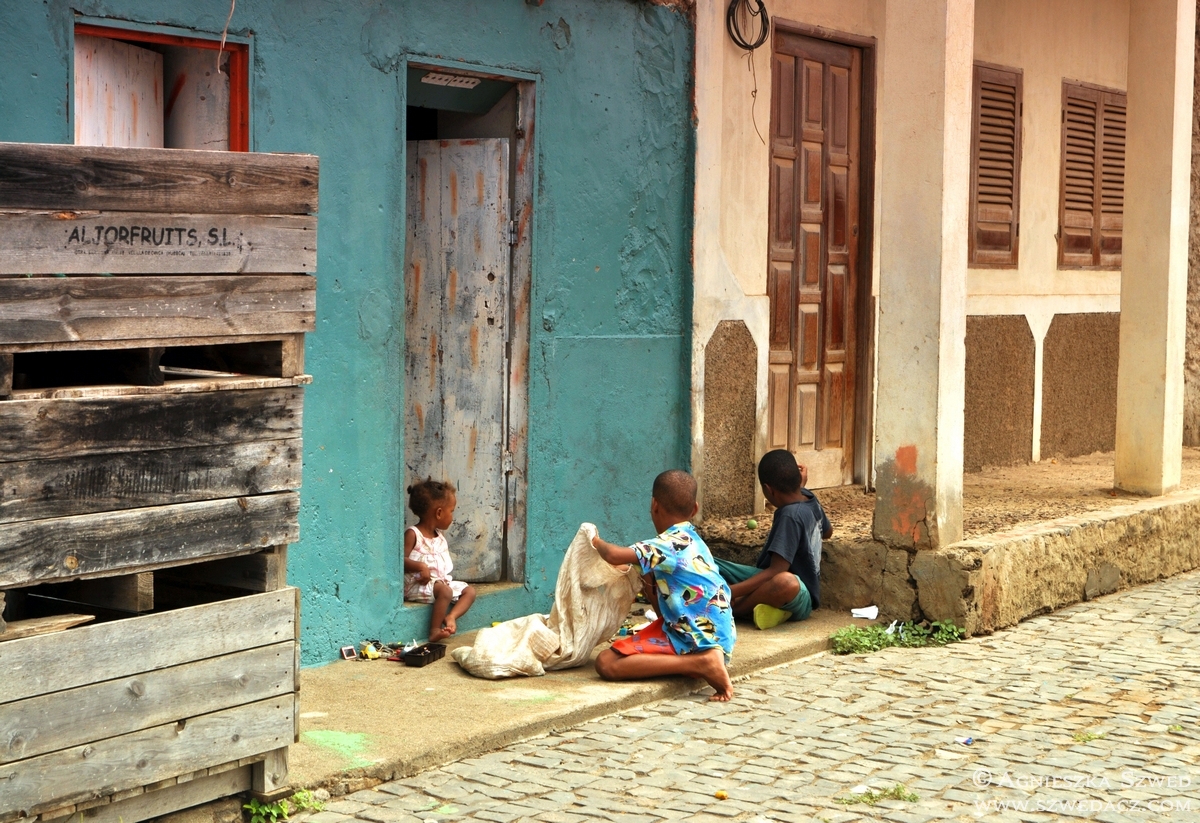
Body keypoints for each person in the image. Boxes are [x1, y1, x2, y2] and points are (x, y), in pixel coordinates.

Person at [590, 470, 737, 701]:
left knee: (606, 663)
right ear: (695, 509)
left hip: (696, 638)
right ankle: (701, 661)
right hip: (720, 634)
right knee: (647, 574)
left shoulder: (664, 545)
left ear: (654, 505)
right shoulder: (693, 538)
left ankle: (701, 663)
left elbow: (613, 555)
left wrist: (593, 539)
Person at [716, 449, 832, 630]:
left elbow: (777, 571)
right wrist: (801, 487)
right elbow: (827, 531)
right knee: (707, 561)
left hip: (798, 595)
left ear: (768, 489)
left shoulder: (790, 515)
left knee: (785, 582)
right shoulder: (809, 498)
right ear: (798, 480)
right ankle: (763, 608)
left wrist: (730, 592)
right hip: (768, 580)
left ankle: (730, 608)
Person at [403, 478, 476, 642]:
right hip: (418, 585)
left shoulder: (439, 536)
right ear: (439, 513)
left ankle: (451, 616)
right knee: (445, 591)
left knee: (469, 591)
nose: (452, 517)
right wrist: (420, 566)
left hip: (440, 584)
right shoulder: (413, 534)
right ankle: (434, 630)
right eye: (451, 511)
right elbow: (399, 561)